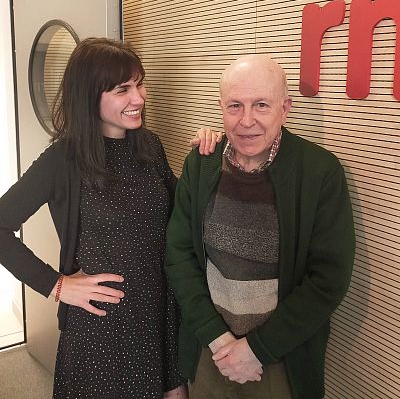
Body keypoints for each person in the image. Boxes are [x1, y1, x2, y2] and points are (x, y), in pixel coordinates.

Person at [0, 37, 221, 399]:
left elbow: (182, 211)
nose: (139, 98)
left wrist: (204, 159)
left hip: (159, 315)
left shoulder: (149, 145)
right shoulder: (63, 160)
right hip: (103, 328)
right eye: (123, 89)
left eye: (139, 84)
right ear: (89, 96)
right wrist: (57, 285)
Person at [165, 54, 355, 399]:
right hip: (208, 352)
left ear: (285, 108)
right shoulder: (201, 164)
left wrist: (257, 349)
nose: (246, 120)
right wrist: (215, 336)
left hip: (280, 361)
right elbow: (179, 255)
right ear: (221, 108)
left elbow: (328, 278)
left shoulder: (319, 172)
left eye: (261, 105)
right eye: (234, 106)